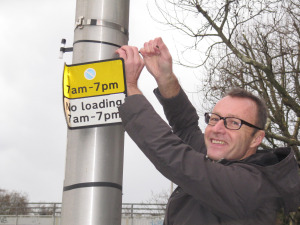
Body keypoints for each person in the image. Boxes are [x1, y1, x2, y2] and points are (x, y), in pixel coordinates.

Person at [116, 37, 300, 225]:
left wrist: (130, 87)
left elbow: (177, 159)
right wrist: (165, 78)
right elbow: (185, 126)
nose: (217, 129)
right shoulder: (221, 163)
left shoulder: (252, 187)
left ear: (256, 138)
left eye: (233, 122)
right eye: (214, 119)